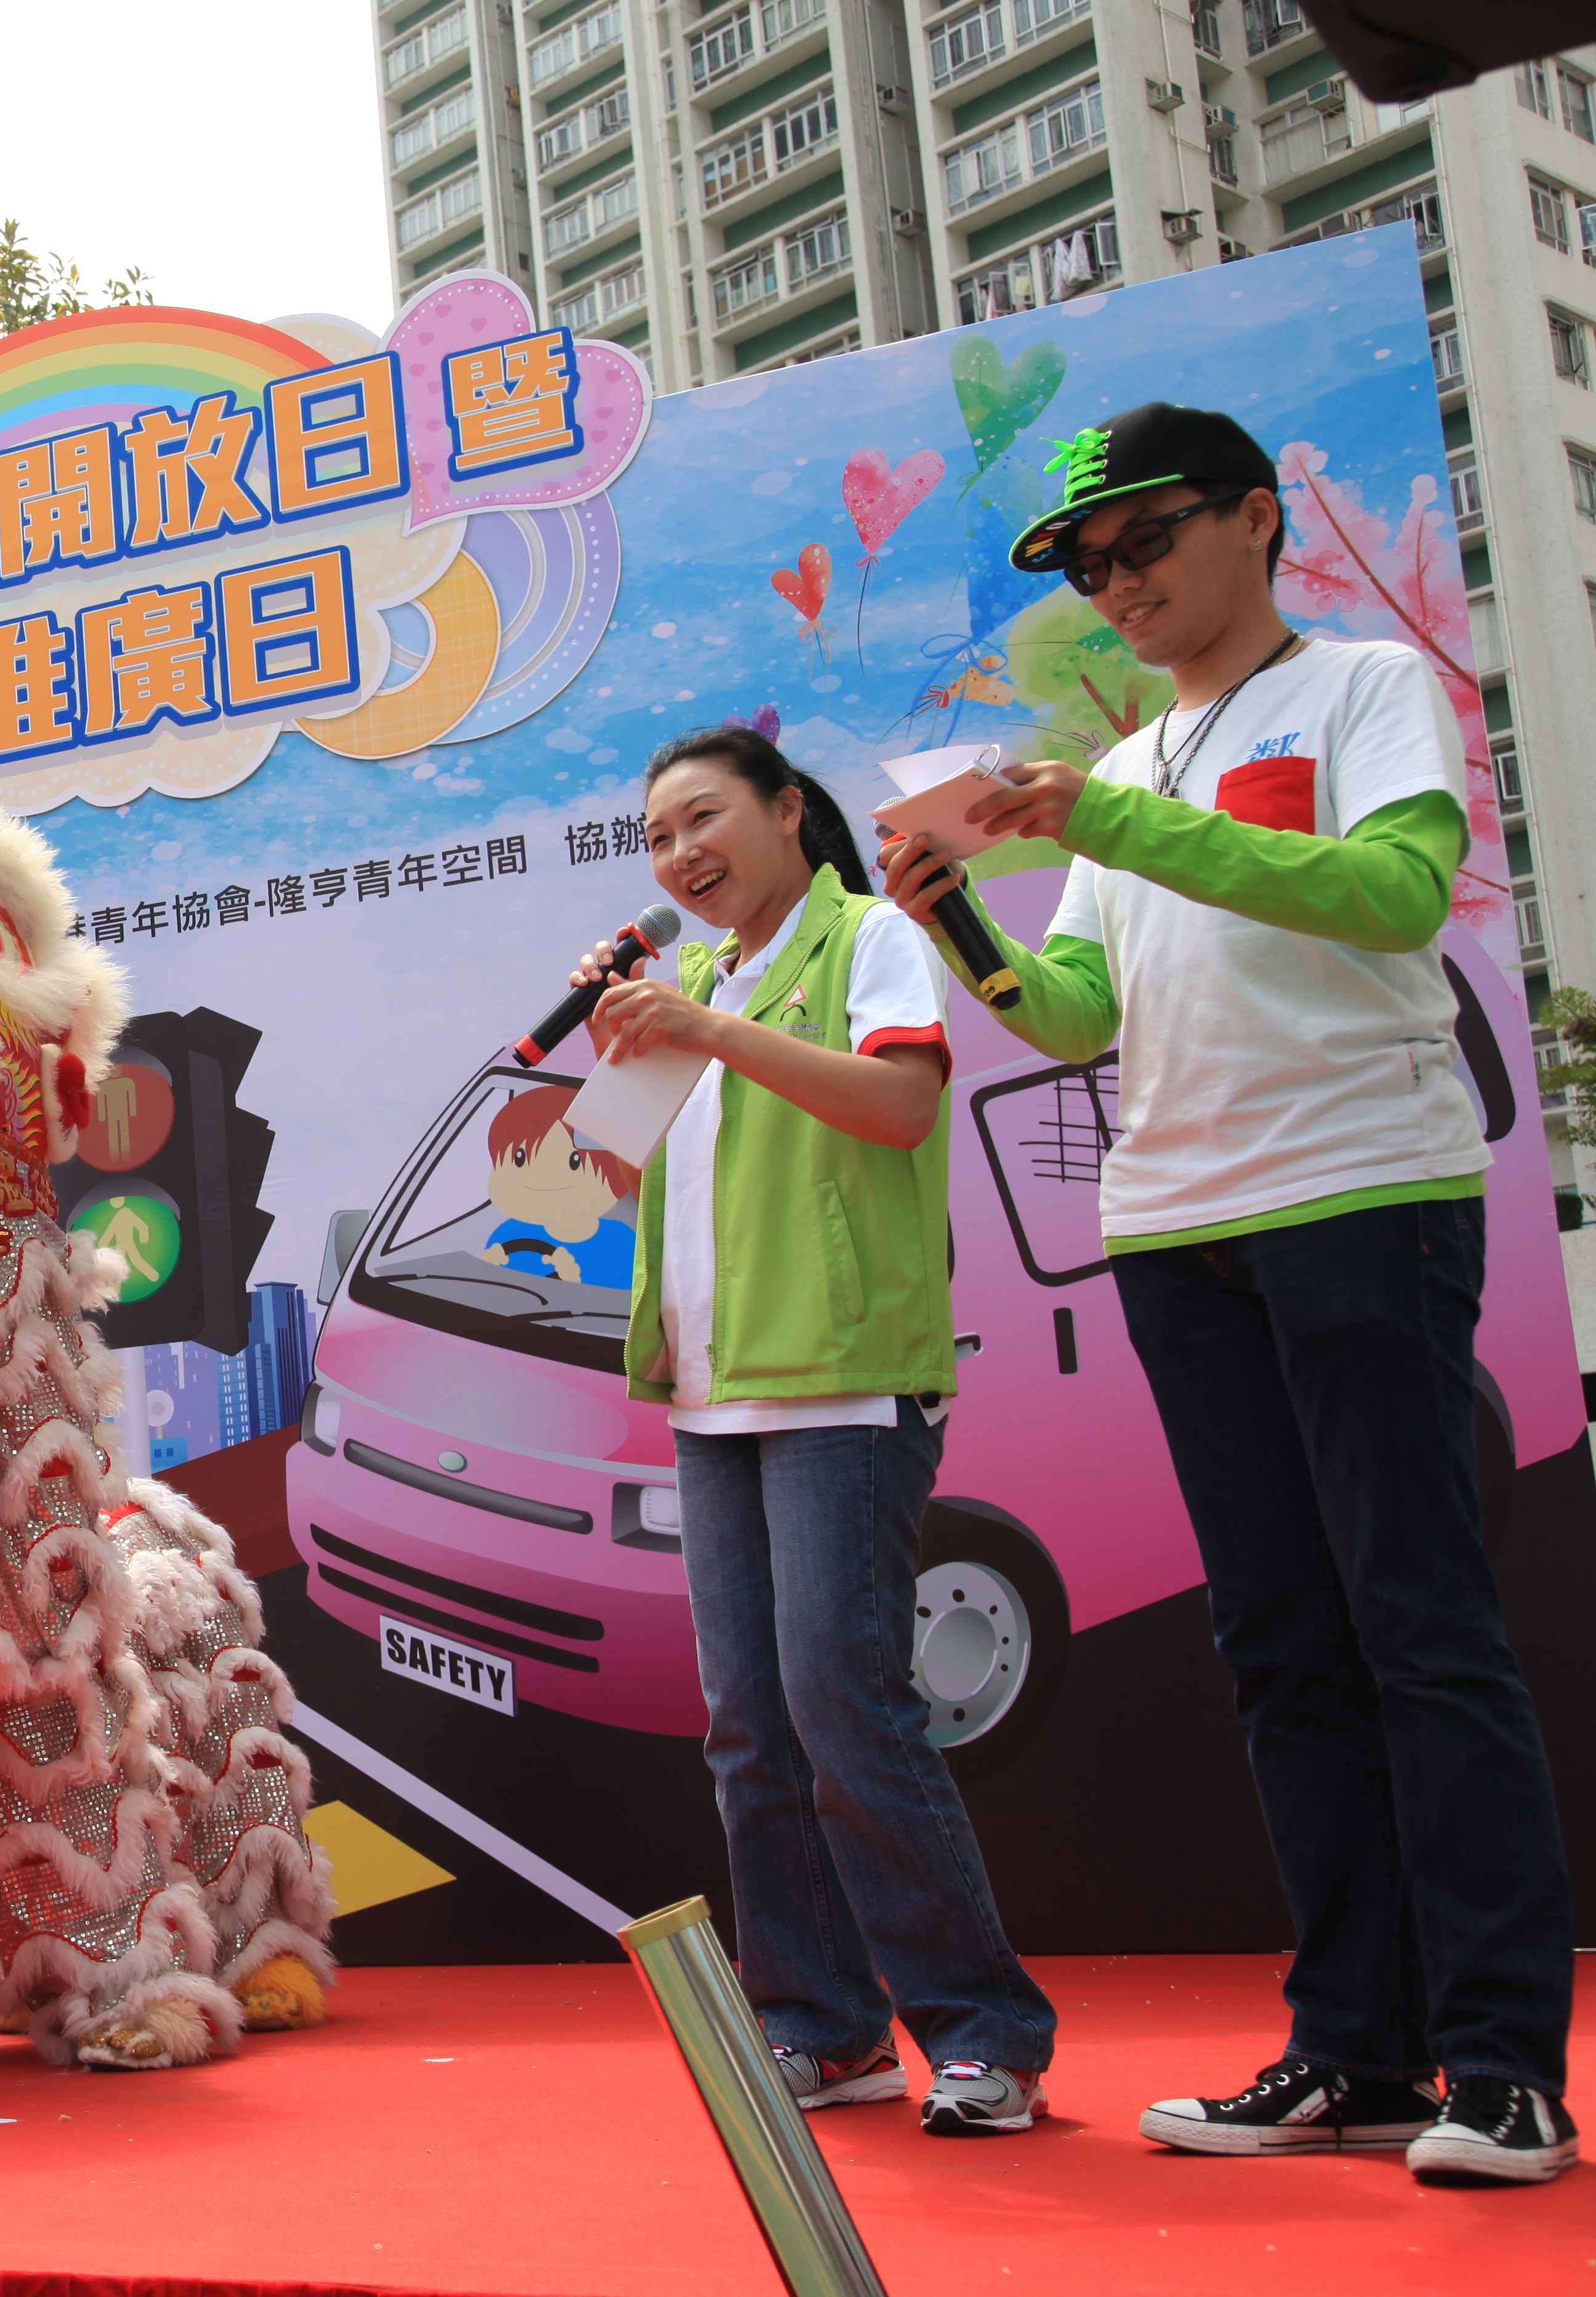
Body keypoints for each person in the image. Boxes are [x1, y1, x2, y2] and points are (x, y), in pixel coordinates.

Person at [883, 401, 1574, 2185]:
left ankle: (1502, 2060)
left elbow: (1397, 897)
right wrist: (962, 920)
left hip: (1364, 1192)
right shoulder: (1147, 762)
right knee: (1280, 1643)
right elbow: (1076, 1022)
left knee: (1420, 1624)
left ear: (1258, 521)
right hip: (1176, 1223)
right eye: (1091, 566)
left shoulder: (1359, 693)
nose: (1120, 583)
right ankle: (1354, 2049)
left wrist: (1111, 816)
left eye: (1147, 542)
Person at [580, 725, 1056, 2137]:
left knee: (847, 1701)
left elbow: (903, 1105)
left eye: (702, 816)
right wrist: (618, 1037)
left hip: (846, 1377)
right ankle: (819, 2023)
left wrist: (708, 1028)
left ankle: (983, 2031)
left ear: (789, 811)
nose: (678, 852)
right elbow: (599, 1180)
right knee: (748, 1725)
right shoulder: (701, 981)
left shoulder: (871, 938)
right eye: (656, 835)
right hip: (716, 1387)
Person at [477, 1083, 640, 1289]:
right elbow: (496, 1294)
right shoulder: (508, 1234)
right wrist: (488, 1270)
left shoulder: (621, 1242)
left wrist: (571, 1288)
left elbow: (628, 1306)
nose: (543, 1177)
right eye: (520, 1159)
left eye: (574, 1162)